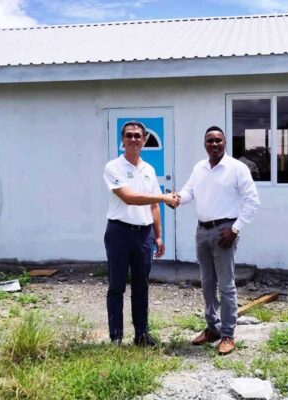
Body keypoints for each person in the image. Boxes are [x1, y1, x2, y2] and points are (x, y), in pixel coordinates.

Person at [177, 126, 260, 355]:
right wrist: (175, 198)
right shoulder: (199, 168)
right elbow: (188, 192)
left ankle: (227, 334)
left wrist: (235, 229)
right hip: (202, 231)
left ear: (225, 142)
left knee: (226, 286)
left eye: (218, 141)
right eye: (210, 141)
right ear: (205, 144)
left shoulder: (237, 168)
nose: (214, 144)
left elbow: (252, 201)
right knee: (206, 284)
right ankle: (212, 328)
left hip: (225, 231)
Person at [103, 120, 178, 347]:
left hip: (144, 235)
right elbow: (129, 197)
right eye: (129, 136)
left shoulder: (149, 169)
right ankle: (116, 337)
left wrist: (158, 235)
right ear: (122, 140)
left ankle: (142, 335)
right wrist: (164, 197)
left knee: (141, 286)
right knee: (116, 285)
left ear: (144, 140)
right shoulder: (113, 167)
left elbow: (153, 207)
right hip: (119, 232)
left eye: (138, 136)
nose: (134, 140)